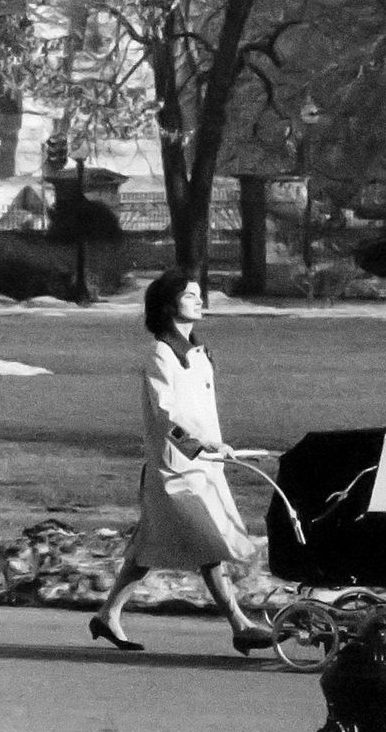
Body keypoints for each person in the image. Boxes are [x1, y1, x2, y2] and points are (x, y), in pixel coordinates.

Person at [89, 269, 275, 655]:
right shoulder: (161, 355)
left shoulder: (200, 354)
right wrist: (200, 443)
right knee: (207, 542)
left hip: (205, 465)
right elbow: (165, 414)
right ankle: (240, 625)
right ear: (169, 305)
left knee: (149, 548)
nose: (200, 301)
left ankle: (108, 615)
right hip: (176, 468)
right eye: (191, 296)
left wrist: (216, 447)